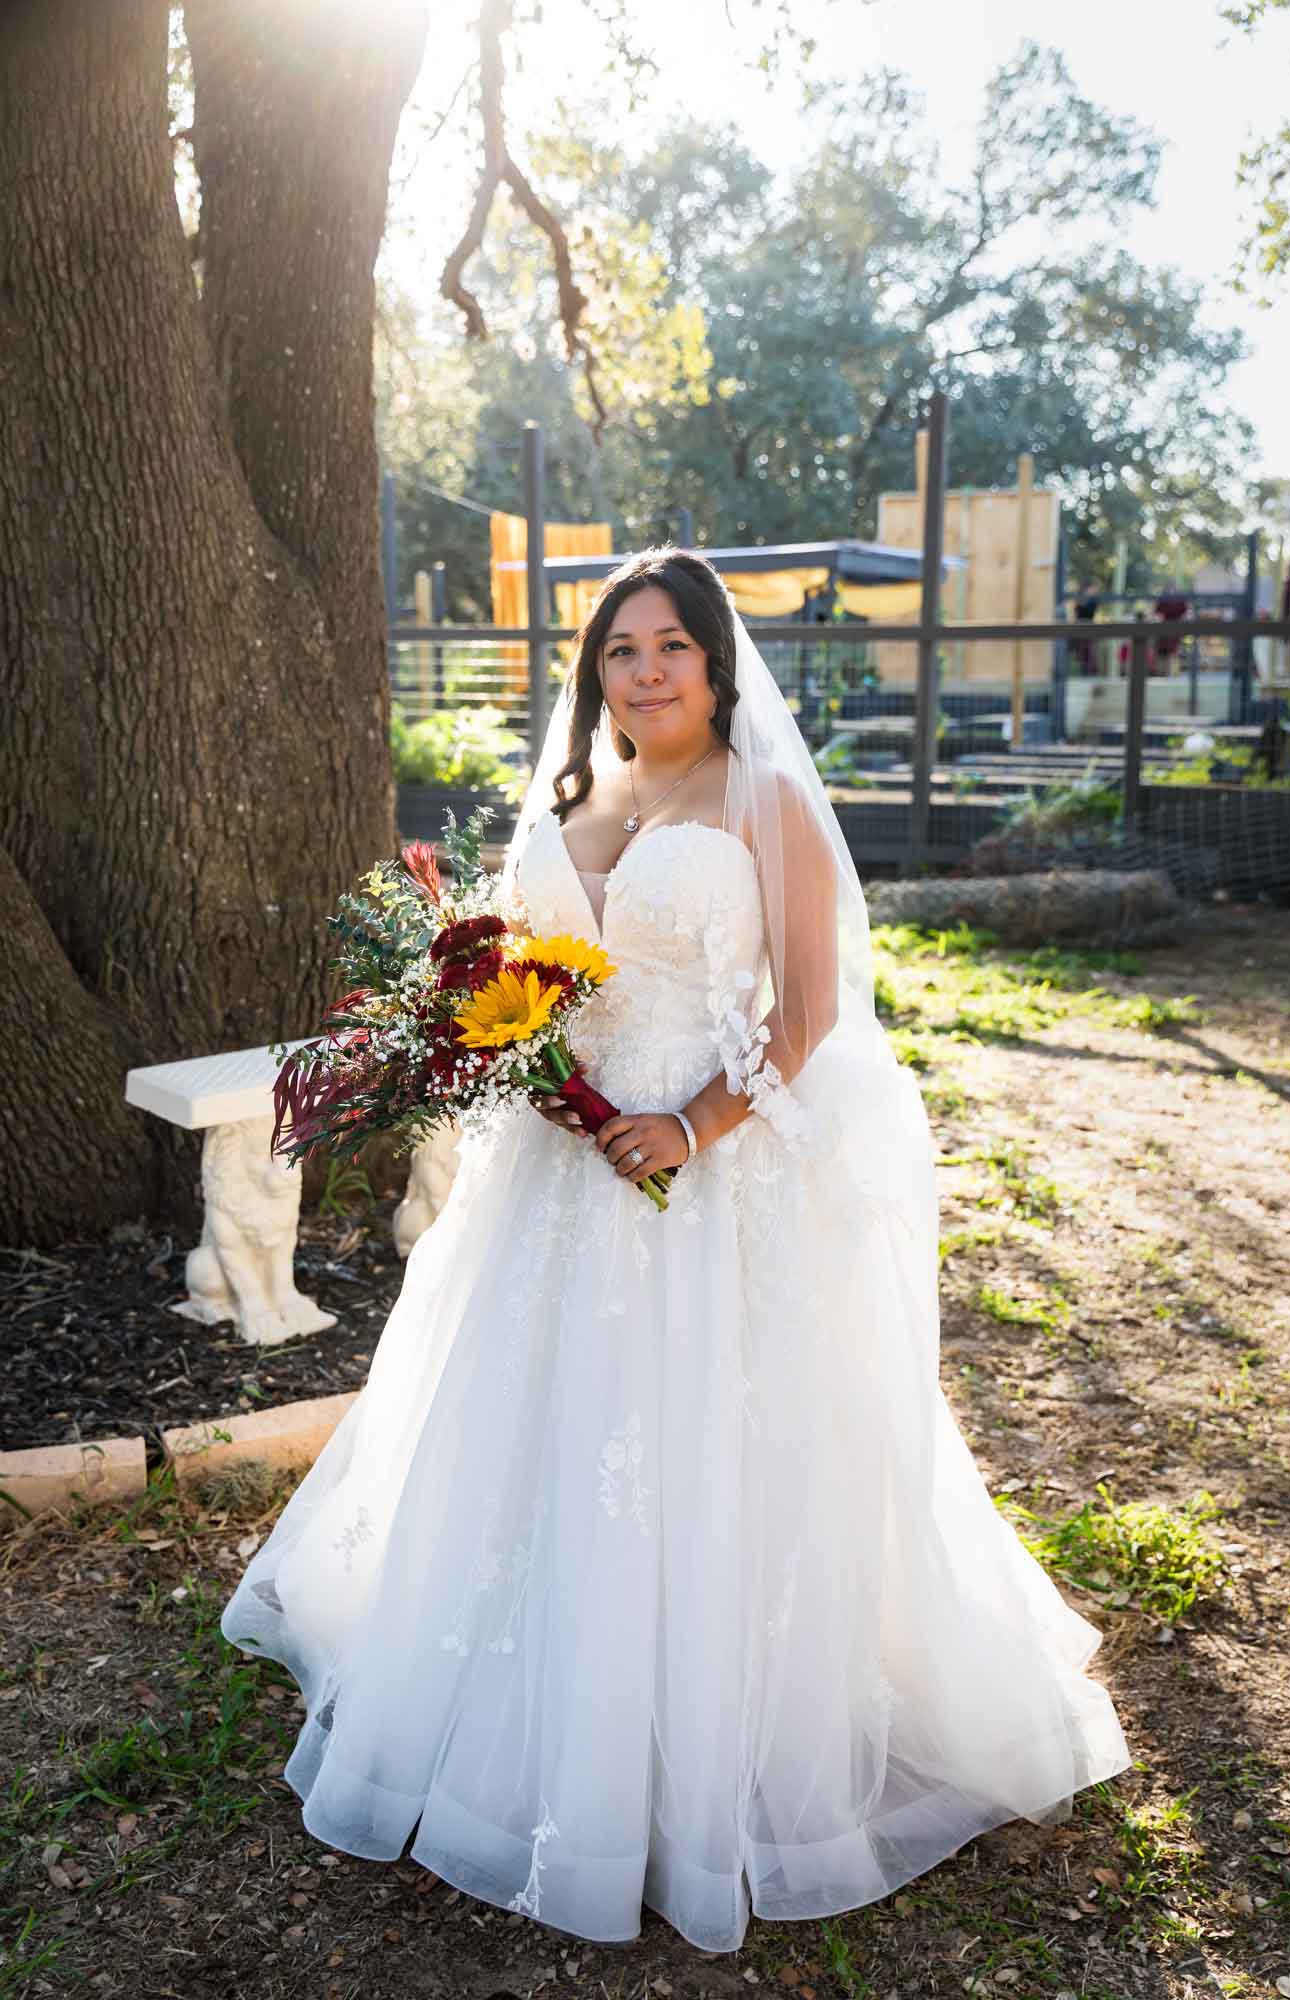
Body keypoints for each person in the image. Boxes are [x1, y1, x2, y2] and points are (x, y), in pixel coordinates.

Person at [220, 547, 1131, 1955]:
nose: (643, 674)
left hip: (704, 1166)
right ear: (597, 674)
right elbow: (525, 971)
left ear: (714, 664)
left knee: (702, 1446)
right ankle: (529, 1700)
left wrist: (690, 1129)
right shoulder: (580, 793)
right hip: (556, 1169)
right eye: (620, 653)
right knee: (537, 1431)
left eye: (671, 650)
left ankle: (712, 1737)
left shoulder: (761, 797)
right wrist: (483, 1028)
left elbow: (809, 1014)